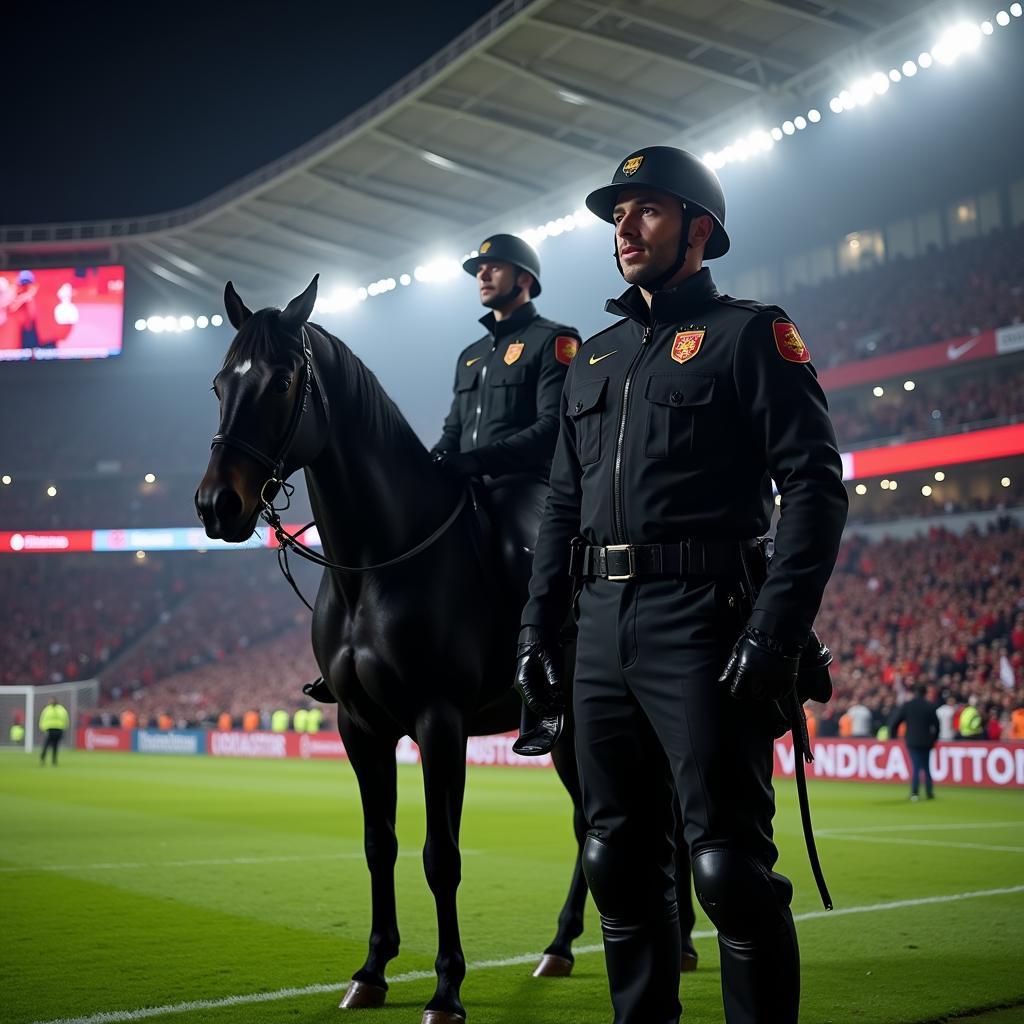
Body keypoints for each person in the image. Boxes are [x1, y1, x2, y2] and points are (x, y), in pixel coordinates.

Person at [514, 145, 848, 1024]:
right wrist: (534, 636)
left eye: (647, 210)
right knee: (615, 865)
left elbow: (814, 487)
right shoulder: (592, 359)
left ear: (699, 230)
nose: (624, 227)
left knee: (729, 871)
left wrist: (775, 632)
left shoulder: (752, 335)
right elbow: (560, 507)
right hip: (596, 627)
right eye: (617, 215)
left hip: (703, 619)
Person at [890, 684, 940, 800]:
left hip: (912, 741)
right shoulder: (929, 706)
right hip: (927, 741)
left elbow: (895, 722)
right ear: (925, 693)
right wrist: (934, 739)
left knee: (916, 767)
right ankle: (929, 792)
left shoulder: (908, 705)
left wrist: (893, 735)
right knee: (927, 767)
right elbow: (937, 725)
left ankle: (914, 793)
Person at [38, 697, 70, 765]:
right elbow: (42, 719)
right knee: (47, 745)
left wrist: (64, 728)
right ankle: (43, 759)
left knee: (55, 746)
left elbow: (66, 719)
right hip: (50, 729)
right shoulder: (48, 709)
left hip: (58, 729)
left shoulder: (59, 709)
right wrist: (42, 728)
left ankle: (54, 760)